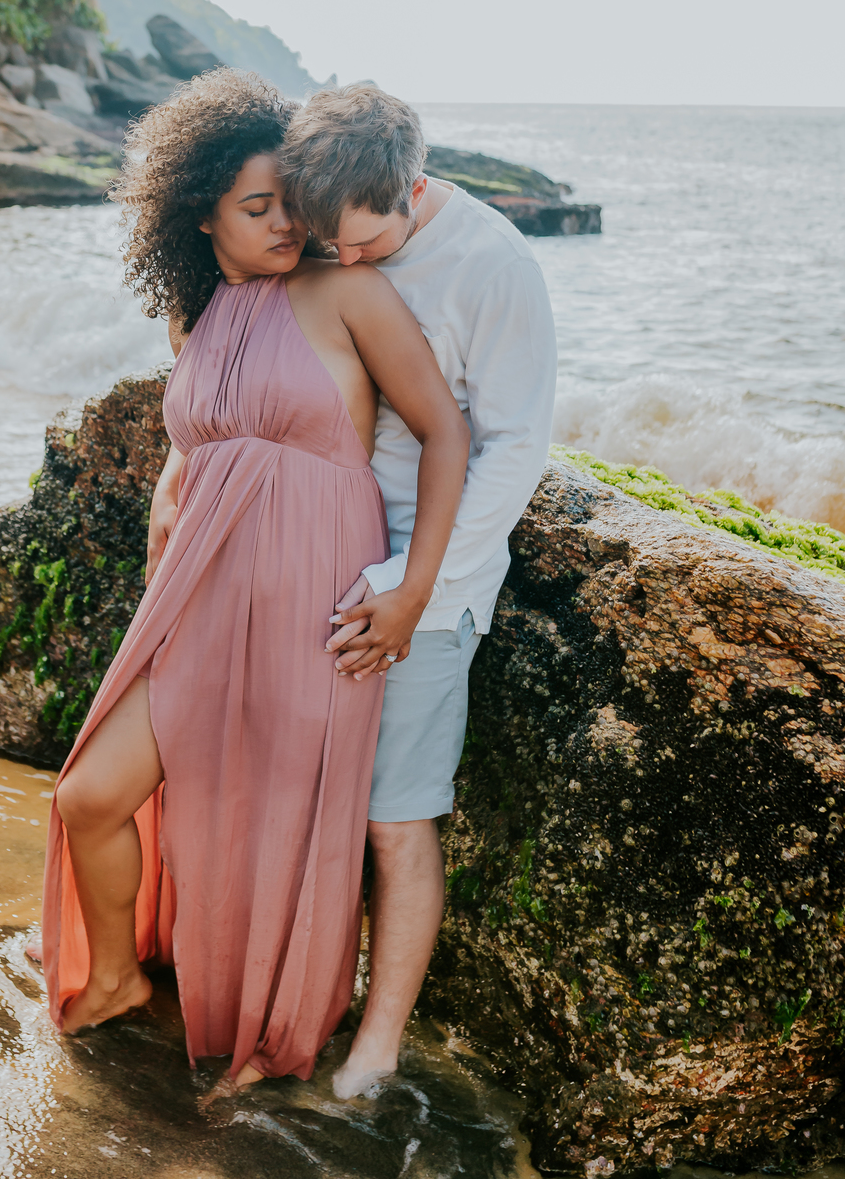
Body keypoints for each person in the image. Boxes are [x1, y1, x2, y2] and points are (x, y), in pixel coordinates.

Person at [39, 70, 470, 1101]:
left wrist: (413, 591)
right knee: (88, 795)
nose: (287, 224)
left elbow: (448, 430)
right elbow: (193, 451)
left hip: (312, 600)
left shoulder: (348, 292)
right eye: (258, 206)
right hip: (196, 595)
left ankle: (265, 1035)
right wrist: (164, 522)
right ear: (201, 214)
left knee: (276, 827)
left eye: (294, 201)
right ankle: (113, 983)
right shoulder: (199, 317)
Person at [276, 84, 557, 1098]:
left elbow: (515, 445)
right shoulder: (325, 231)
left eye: (363, 243)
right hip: (313, 557)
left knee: (394, 820)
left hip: (427, 590)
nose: (343, 262)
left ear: (412, 185)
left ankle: (379, 1043)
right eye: (327, 243)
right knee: (297, 798)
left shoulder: (492, 264)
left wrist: (410, 586)